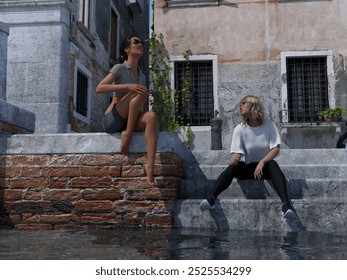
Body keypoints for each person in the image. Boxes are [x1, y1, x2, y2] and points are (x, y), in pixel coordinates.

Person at [200, 95, 295, 218]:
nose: (240, 106)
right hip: (248, 169)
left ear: (253, 105)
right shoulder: (240, 129)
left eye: (243, 103)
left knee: (272, 164)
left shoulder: (269, 125)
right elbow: (237, 152)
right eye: (240, 104)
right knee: (235, 166)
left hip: (264, 169)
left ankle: (286, 205)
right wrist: (234, 158)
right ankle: (211, 199)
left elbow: (276, 149)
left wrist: (262, 162)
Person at [96, 35, 158, 186]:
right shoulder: (119, 68)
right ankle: (127, 135)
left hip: (131, 118)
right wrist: (127, 86)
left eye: (141, 42)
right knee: (138, 90)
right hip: (114, 120)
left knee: (152, 116)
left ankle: (150, 164)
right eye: (136, 42)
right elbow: (100, 88)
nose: (140, 45)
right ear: (126, 49)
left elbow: (139, 103)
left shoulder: (142, 74)